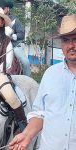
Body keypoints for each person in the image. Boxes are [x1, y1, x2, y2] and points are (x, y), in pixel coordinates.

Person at [9, 14, 76, 150]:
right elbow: (40, 114)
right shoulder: (50, 74)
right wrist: (27, 134)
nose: (71, 45)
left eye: (75, 39)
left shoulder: (12, 29)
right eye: (65, 40)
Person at [0, 0, 31, 76]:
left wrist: (12, 36)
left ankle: (27, 79)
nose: (1, 10)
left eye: (3, 8)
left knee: (25, 62)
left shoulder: (15, 20)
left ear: (8, 9)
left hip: (13, 45)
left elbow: (21, 34)